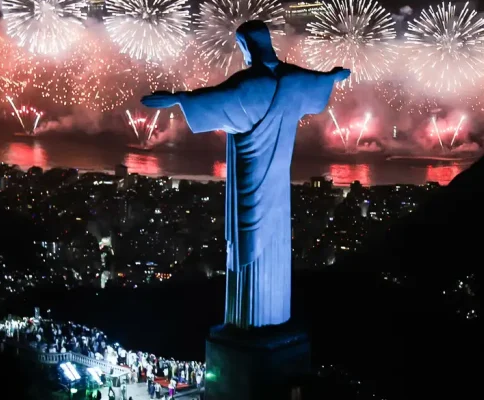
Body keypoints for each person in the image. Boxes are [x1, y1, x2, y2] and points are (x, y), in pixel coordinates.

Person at [142, 20, 349, 329]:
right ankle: (274, 318)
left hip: (250, 179)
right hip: (280, 187)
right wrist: (333, 76)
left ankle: (249, 324)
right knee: (275, 243)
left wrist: (178, 98)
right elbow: (319, 83)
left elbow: (213, 101)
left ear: (245, 46)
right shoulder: (294, 79)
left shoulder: (250, 86)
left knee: (248, 245)